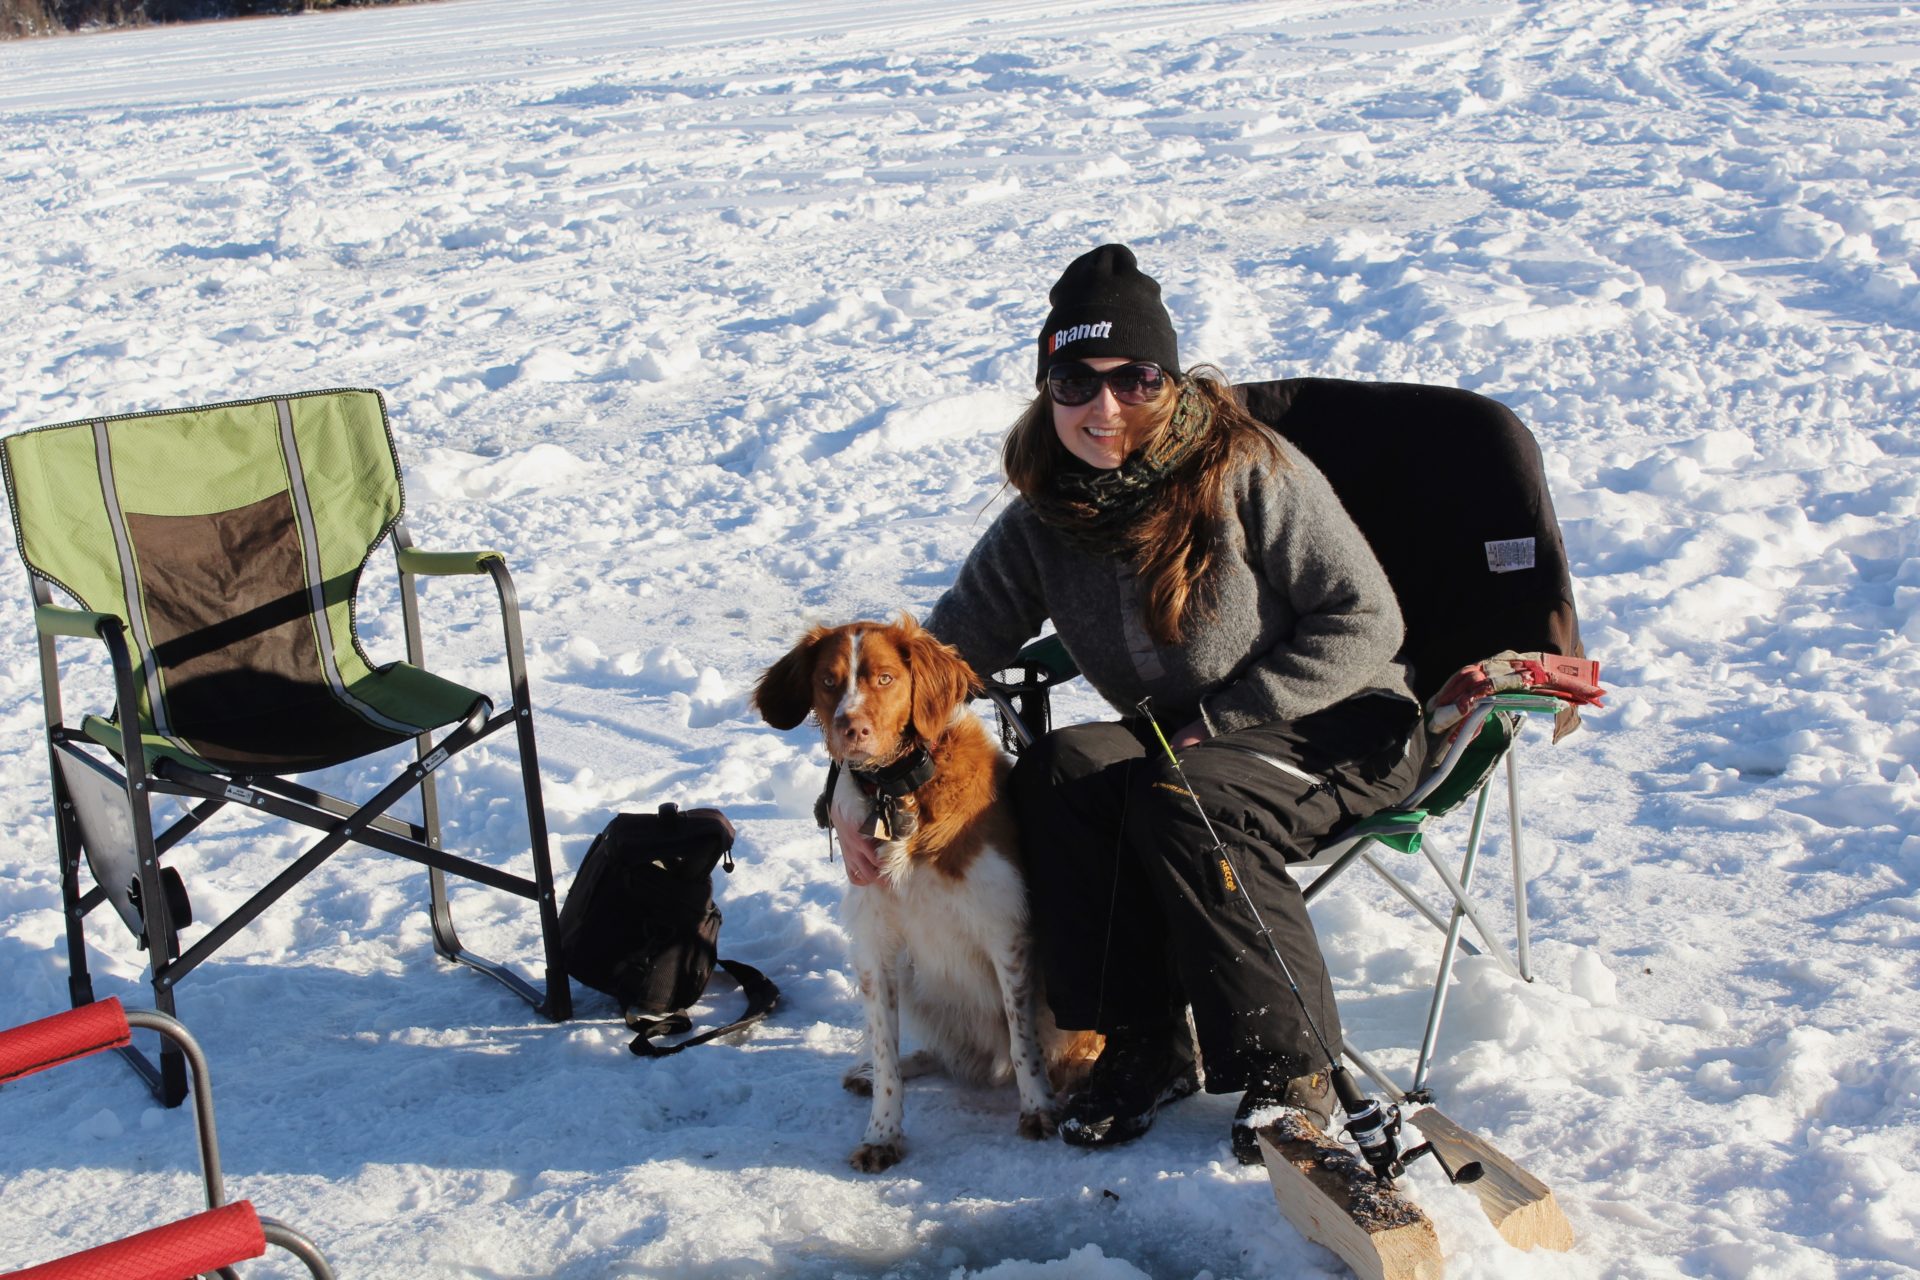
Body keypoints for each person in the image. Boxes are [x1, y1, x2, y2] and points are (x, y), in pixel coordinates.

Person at [834, 243, 1425, 1164]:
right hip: (1190, 750)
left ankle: (1289, 1075)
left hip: (1342, 726)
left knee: (1185, 792)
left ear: (1173, 384)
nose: (1105, 408)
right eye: (1075, 380)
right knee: (1064, 771)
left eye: (1135, 379)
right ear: (1046, 391)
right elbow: (941, 667)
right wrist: (853, 789)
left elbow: (1368, 620)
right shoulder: (1045, 517)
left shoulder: (1250, 474)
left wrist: (1223, 720)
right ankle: (1141, 1045)